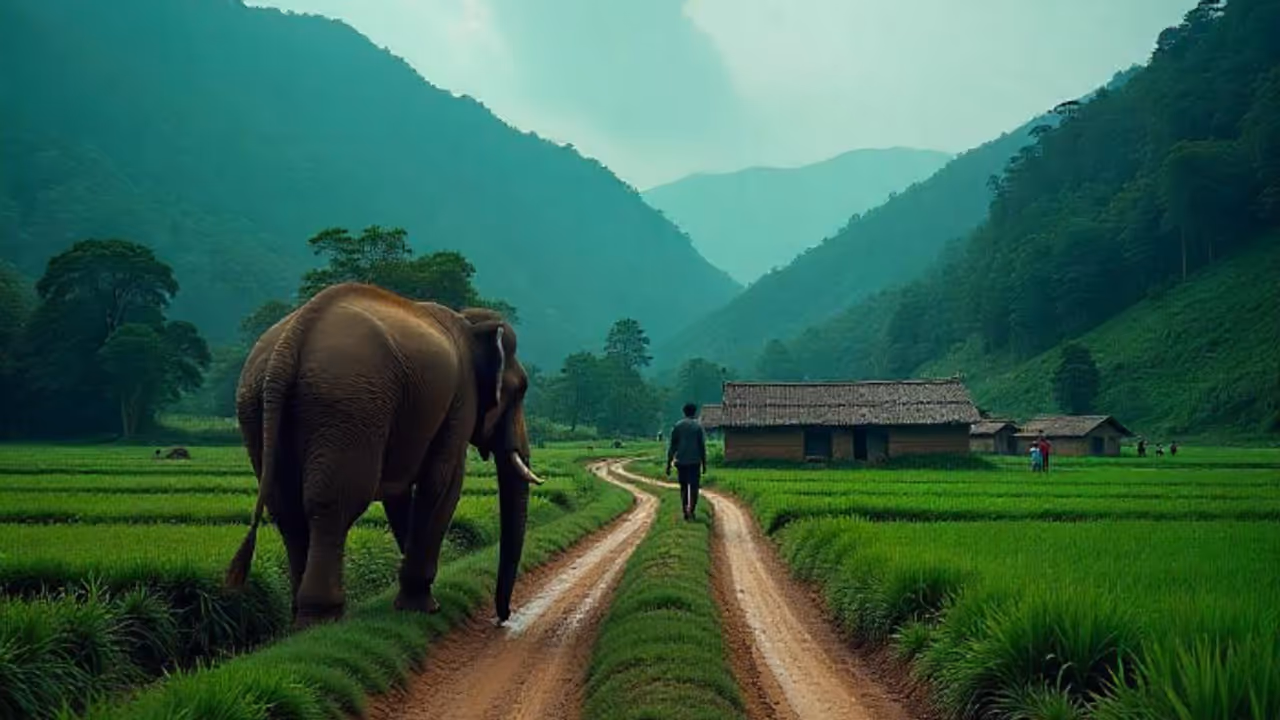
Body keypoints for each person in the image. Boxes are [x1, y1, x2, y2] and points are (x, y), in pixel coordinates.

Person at [666, 403, 707, 521]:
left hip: (681, 462)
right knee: (694, 487)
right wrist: (704, 464)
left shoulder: (678, 426)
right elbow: (701, 447)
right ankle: (692, 511)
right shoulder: (698, 427)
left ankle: (685, 511)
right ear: (695, 412)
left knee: (683, 487)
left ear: (684, 412)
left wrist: (668, 464)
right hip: (695, 462)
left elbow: (672, 446)